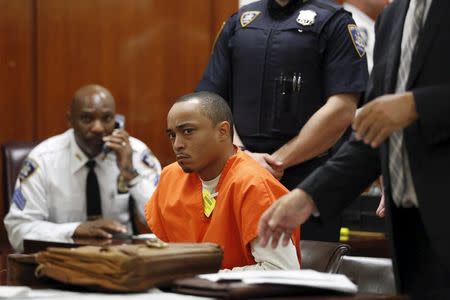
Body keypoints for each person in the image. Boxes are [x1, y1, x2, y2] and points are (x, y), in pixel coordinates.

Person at [259, 0, 450, 298]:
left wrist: (417, 105)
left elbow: (403, 109)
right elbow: (371, 134)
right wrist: (308, 195)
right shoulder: (391, 17)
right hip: (412, 236)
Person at [196, 0, 368, 241]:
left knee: (303, 271)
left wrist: (276, 162)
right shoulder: (240, 22)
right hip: (238, 173)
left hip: (307, 181)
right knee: (232, 271)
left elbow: (341, 108)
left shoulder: (335, 22)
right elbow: (209, 102)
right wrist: (240, 155)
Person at [145, 91, 300, 271]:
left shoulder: (253, 183)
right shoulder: (170, 177)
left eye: (188, 131)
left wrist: (204, 277)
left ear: (222, 131)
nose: (177, 144)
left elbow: (282, 270)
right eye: (172, 135)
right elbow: (163, 255)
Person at [4, 85, 161, 252]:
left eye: (107, 118)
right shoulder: (43, 160)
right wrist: (74, 230)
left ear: (116, 120)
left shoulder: (135, 153)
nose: (98, 128)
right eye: (87, 119)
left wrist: (131, 174)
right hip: (61, 262)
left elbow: (164, 223)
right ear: (70, 120)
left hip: (124, 261)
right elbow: (18, 230)